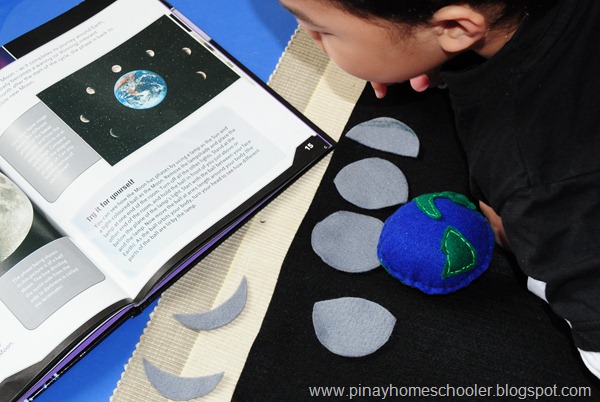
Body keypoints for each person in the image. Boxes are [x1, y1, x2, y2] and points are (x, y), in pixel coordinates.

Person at [278, 0, 600, 379]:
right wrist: (422, 53)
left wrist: (522, 232)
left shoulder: (535, 184)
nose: (308, 37)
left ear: (455, 28)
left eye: (323, 31)